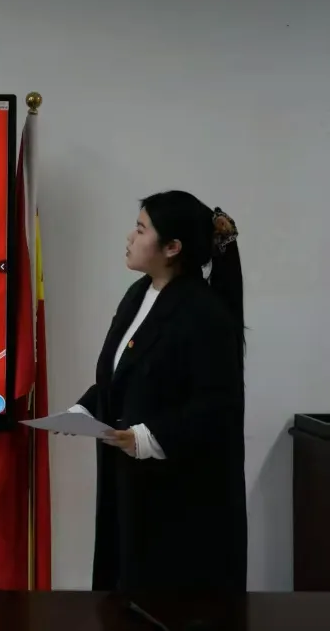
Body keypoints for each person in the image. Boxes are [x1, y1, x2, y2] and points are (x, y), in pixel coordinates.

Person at [68, 190, 247, 594]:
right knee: (120, 587)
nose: (130, 237)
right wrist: (85, 409)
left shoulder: (205, 312)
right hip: (127, 478)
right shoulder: (138, 294)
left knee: (162, 598)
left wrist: (147, 437)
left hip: (178, 494)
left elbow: (217, 406)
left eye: (141, 229)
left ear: (172, 248)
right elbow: (121, 374)